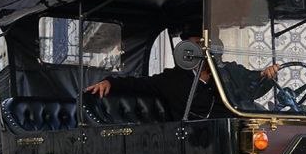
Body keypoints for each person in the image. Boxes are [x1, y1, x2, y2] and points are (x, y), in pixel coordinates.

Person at [84, 25, 279, 120]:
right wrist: (110, 82)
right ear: (186, 49)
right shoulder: (172, 80)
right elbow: (140, 83)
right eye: (198, 44)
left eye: (209, 44)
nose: (205, 49)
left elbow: (252, 85)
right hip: (198, 142)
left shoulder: (229, 71)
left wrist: (268, 75)